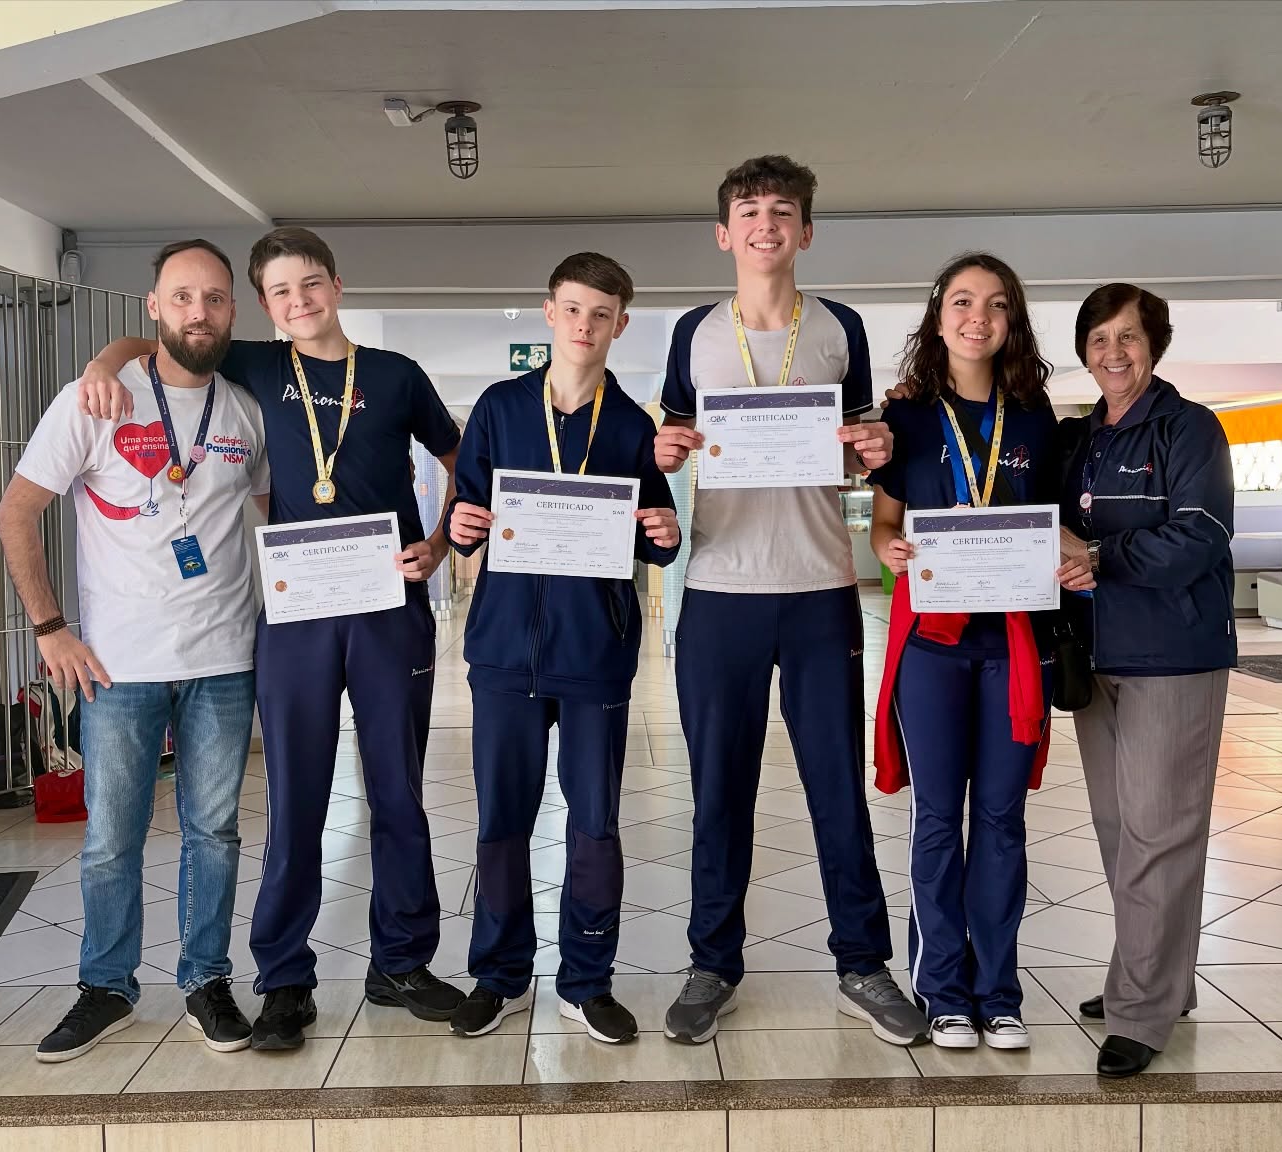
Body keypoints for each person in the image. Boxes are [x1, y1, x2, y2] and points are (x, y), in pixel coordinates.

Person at [76, 227, 464, 1050]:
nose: (300, 302)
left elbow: (461, 455)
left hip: (388, 608)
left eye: (311, 284)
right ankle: (285, 979)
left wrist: (438, 545)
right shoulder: (253, 362)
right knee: (297, 802)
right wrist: (103, 366)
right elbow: (153, 340)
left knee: (398, 793)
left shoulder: (396, 376)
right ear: (265, 305)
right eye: (282, 292)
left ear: (336, 284)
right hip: (294, 617)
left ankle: (401, 962)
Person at [653, 154, 927, 1047]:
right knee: (717, 791)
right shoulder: (693, 331)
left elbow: (853, 452)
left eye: (782, 211)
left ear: (805, 232)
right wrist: (666, 451)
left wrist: (872, 448)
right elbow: (670, 443)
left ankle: (863, 961)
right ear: (724, 233)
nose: (765, 223)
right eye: (748, 210)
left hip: (817, 591)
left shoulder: (840, 326)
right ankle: (711, 963)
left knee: (836, 790)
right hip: (721, 591)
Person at [0, 239, 268, 1062]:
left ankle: (205, 981)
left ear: (231, 311)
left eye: (216, 298)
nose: (200, 311)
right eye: (183, 296)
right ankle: (106, 987)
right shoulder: (94, 400)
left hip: (223, 659)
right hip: (116, 666)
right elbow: (16, 513)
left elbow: (267, 527)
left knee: (213, 833)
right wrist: (51, 629)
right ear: (153, 306)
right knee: (112, 835)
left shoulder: (245, 413)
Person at [443, 253, 681, 1043]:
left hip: (596, 656)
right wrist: (459, 526)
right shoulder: (501, 407)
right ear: (550, 314)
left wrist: (665, 534)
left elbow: (656, 529)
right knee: (502, 820)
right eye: (572, 310)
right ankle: (500, 975)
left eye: (601, 313)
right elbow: (466, 506)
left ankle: (587, 979)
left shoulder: (631, 426)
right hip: (506, 650)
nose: (585, 326)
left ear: (620, 323)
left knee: (595, 824)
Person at [866, 253, 1058, 1051]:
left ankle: (999, 992)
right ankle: (943, 988)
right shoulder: (906, 415)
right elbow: (883, 526)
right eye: (963, 301)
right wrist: (892, 550)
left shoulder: (1036, 414)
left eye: (997, 304)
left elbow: (1050, 520)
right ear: (938, 314)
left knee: (1004, 821)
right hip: (934, 649)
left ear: (1011, 321)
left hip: (1011, 646)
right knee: (940, 819)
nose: (978, 316)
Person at [1054, 283, 1236, 1078]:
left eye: (1127, 338)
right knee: (1118, 827)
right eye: (1098, 340)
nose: (1113, 353)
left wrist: (1099, 558)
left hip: (1174, 654)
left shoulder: (1191, 428)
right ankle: (1159, 975)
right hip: (1098, 656)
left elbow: (1199, 536)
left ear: (1153, 345)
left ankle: (1143, 1006)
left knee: (1162, 830)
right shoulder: (1083, 438)